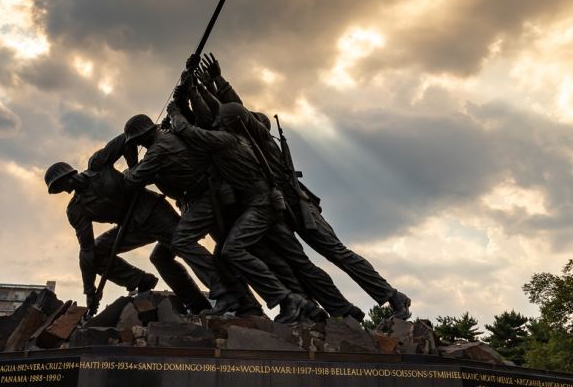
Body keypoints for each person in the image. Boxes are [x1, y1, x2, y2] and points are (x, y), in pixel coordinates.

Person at [195, 53, 412, 320]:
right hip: (281, 208)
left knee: (337, 253)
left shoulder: (260, 138)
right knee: (301, 265)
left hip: (298, 204)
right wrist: (203, 86)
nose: (224, 125)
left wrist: (218, 82)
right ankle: (340, 311)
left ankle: (392, 296)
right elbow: (224, 115)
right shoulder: (244, 142)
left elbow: (234, 109)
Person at [167, 99, 358, 323]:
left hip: (261, 207)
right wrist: (192, 93)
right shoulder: (240, 139)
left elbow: (188, 130)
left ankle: (304, 303)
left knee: (247, 254)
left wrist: (175, 111)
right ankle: (306, 306)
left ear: (228, 122)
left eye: (221, 118)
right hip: (259, 207)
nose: (216, 120)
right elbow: (205, 121)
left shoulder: (228, 141)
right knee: (277, 263)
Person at [45, 132, 209, 316]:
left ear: (68, 175)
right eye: (58, 190)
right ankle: (141, 281)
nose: (64, 190)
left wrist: (134, 171)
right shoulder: (76, 210)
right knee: (99, 251)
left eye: (60, 185)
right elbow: (87, 250)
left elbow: (127, 139)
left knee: (183, 246)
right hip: (131, 227)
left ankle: (228, 294)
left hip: (153, 211)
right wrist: (89, 290)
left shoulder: (98, 164)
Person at [120, 113, 261, 316]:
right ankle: (203, 303)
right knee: (161, 255)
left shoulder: (160, 148)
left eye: (137, 140)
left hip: (207, 197)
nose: (138, 144)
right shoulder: (160, 144)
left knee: (182, 241)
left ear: (144, 135)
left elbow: (132, 180)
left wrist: (129, 165)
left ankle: (225, 295)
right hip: (195, 201)